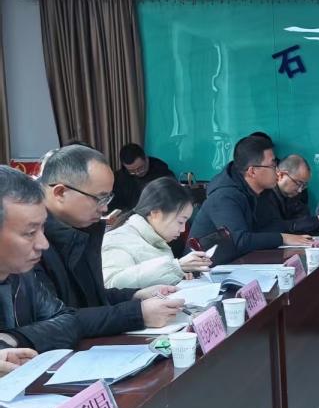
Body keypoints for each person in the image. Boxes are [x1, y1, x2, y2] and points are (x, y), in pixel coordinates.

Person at [36, 145, 185, 336]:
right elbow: (53, 320)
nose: (105, 208)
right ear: (60, 193)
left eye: (108, 198)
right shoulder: (32, 243)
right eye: (99, 198)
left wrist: (135, 295)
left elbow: (88, 299)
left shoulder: (80, 228)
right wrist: (137, 314)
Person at [0, 166, 79, 366]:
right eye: (30, 233)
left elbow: (68, 321)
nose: (43, 244)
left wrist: (13, 338)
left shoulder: (21, 275)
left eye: (42, 228)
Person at [190, 134, 312, 263]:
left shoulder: (261, 190)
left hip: (241, 263)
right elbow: (240, 241)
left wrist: (296, 234)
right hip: (205, 269)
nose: (277, 171)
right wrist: (283, 238)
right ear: (252, 171)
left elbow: (271, 225)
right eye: (273, 165)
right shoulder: (224, 196)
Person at [102, 178, 212, 289]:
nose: (183, 229)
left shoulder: (156, 239)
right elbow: (111, 284)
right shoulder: (117, 239)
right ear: (155, 213)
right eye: (180, 222)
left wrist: (177, 275)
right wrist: (175, 267)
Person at [255, 154, 319, 235]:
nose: (300, 190)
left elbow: (302, 219)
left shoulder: (296, 193)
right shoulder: (264, 194)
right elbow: (275, 228)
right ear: (281, 175)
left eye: (304, 185)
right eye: (298, 183)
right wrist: (315, 221)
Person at [110, 143, 176, 213]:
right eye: (132, 171)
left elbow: (172, 201)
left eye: (140, 168)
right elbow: (115, 204)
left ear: (146, 159)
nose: (137, 173)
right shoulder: (120, 178)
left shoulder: (163, 174)